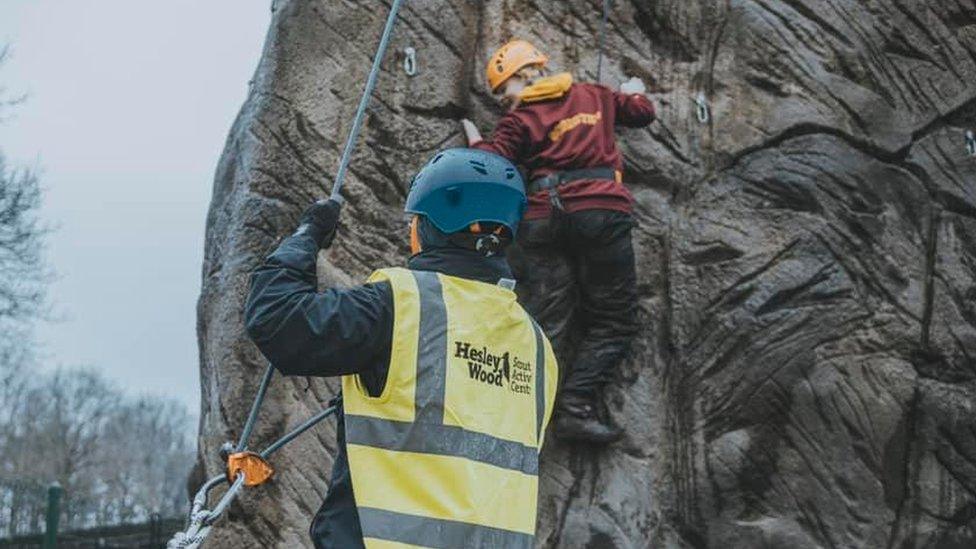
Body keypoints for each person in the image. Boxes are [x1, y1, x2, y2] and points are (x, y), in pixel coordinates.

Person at [244, 148, 558, 549]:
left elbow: (276, 318)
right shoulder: (535, 345)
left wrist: (305, 238)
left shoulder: (402, 305)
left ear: (427, 227)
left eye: (414, 221)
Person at [460, 39, 655, 444]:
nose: (503, 100)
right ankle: (573, 407)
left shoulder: (520, 121)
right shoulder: (595, 96)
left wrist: (476, 141)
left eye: (504, 90)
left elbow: (491, 165)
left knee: (545, 318)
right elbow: (641, 113)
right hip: (600, 210)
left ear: (522, 77)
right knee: (615, 318)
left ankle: (511, 411)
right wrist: (635, 91)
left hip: (542, 218)